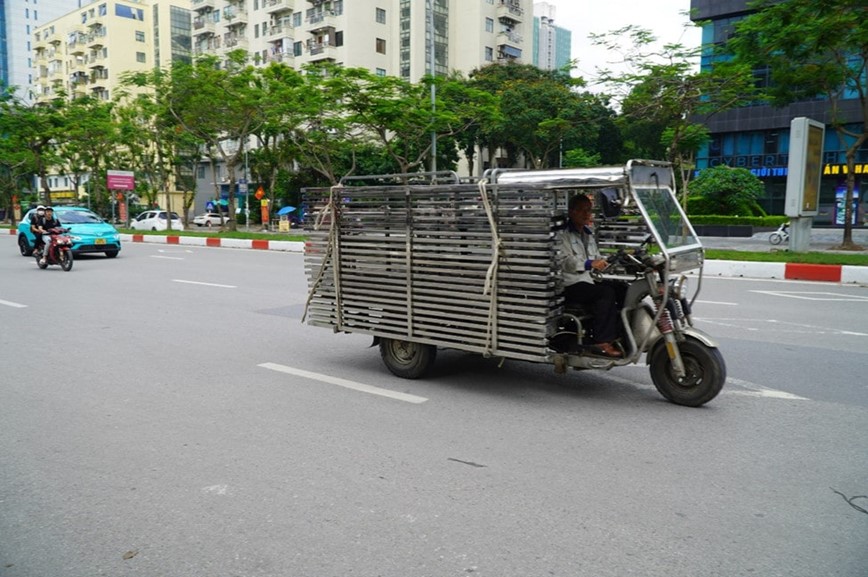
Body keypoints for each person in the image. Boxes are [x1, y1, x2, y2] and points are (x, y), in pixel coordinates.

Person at [557, 194, 622, 358]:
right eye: (582, 210)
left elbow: (596, 257)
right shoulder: (563, 234)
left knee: (623, 289)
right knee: (605, 294)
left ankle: (619, 334)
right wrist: (588, 264)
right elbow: (564, 261)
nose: (587, 214)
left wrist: (605, 263)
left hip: (588, 281)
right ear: (571, 211)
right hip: (570, 284)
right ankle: (602, 341)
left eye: (589, 210)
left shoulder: (588, 234)